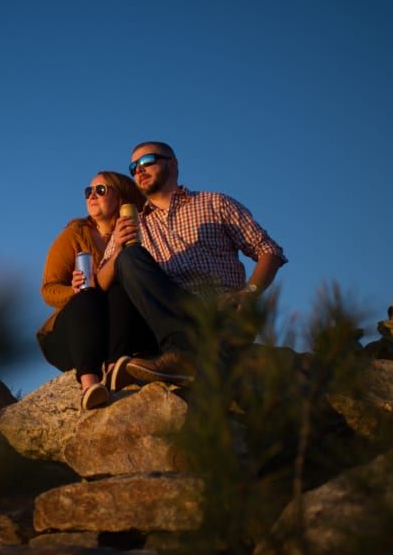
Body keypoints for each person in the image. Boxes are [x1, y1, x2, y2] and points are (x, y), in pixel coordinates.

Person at [100, 141, 288, 384]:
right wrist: (116, 250)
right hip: (164, 317)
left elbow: (269, 250)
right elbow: (102, 284)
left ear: (173, 164)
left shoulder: (215, 203)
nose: (138, 170)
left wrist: (249, 293)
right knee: (128, 256)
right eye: (133, 166)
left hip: (219, 310)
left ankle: (184, 356)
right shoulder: (133, 224)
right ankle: (180, 353)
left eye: (147, 162)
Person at [37, 171, 152, 410]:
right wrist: (74, 290)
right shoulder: (75, 235)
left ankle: (115, 369)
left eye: (100, 190)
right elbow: (48, 290)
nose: (91, 196)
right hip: (73, 334)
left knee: (120, 289)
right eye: (88, 191)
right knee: (89, 295)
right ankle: (89, 385)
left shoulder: (141, 231)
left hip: (114, 332)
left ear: (121, 198)